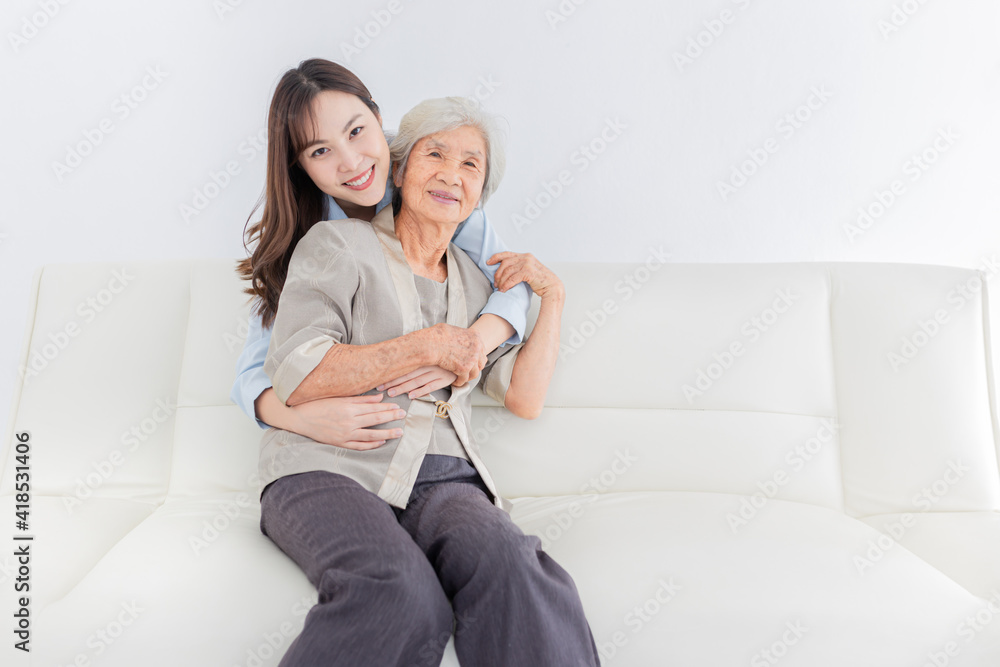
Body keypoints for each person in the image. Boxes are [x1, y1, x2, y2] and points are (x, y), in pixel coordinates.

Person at [257, 96, 600, 666]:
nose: (450, 173)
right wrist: (424, 346)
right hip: (328, 468)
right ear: (400, 171)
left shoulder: (474, 284)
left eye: (471, 164)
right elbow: (299, 371)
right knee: (401, 594)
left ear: (480, 195)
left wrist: (554, 299)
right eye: (434, 154)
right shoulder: (337, 247)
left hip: (442, 481)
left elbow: (523, 397)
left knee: (518, 567)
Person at [232, 58, 532, 448]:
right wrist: (302, 421)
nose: (352, 162)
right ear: (300, 166)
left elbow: (510, 284)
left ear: (377, 116)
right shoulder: (303, 236)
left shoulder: (430, 179)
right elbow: (255, 369)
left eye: (357, 131)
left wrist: (466, 347)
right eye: (320, 151)